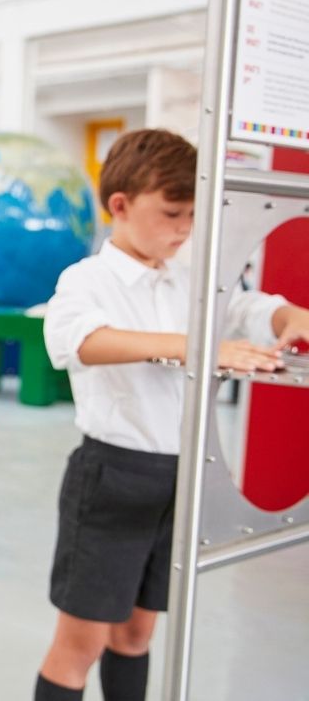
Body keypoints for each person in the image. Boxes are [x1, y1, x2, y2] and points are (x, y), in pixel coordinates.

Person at [35, 129, 309, 701]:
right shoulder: (87, 279)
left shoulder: (189, 282)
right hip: (112, 478)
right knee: (79, 646)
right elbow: (78, 342)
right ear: (120, 205)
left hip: (181, 480)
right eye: (171, 213)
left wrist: (288, 316)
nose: (184, 229)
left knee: (137, 634)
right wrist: (197, 347)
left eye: (192, 215)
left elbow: (251, 308)